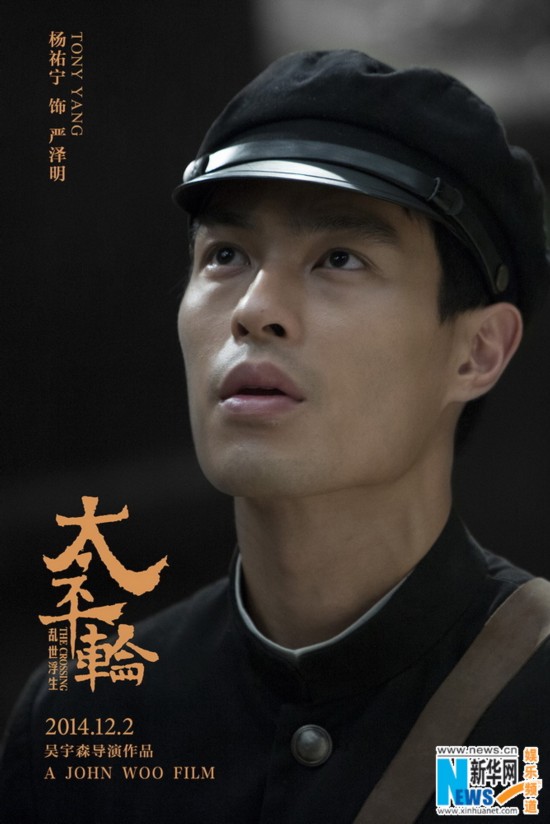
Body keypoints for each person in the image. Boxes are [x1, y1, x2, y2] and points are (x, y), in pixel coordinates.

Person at [1, 49, 549, 823]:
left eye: (339, 258)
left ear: (477, 351)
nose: (255, 309)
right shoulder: (80, 724)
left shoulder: (532, 702)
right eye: (225, 255)